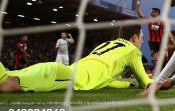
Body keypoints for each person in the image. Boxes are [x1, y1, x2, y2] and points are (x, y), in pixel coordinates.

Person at [0, 25, 152, 93]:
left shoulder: (108, 44)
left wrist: (129, 85)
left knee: (7, 77)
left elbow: (105, 81)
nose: (142, 42)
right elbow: (147, 82)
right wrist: (161, 80)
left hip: (65, 71)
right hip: (70, 77)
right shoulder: (133, 51)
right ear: (135, 37)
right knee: (7, 85)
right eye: (142, 38)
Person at [136, 0, 173, 69]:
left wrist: (171, 38)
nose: (150, 12)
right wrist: (138, 6)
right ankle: (156, 71)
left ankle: (164, 70)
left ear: (157, 13)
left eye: (152, 11)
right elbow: (140, 15)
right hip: (152, 42)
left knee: (165, 55)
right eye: (151, 11)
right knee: (155, 57)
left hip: (161, 42)